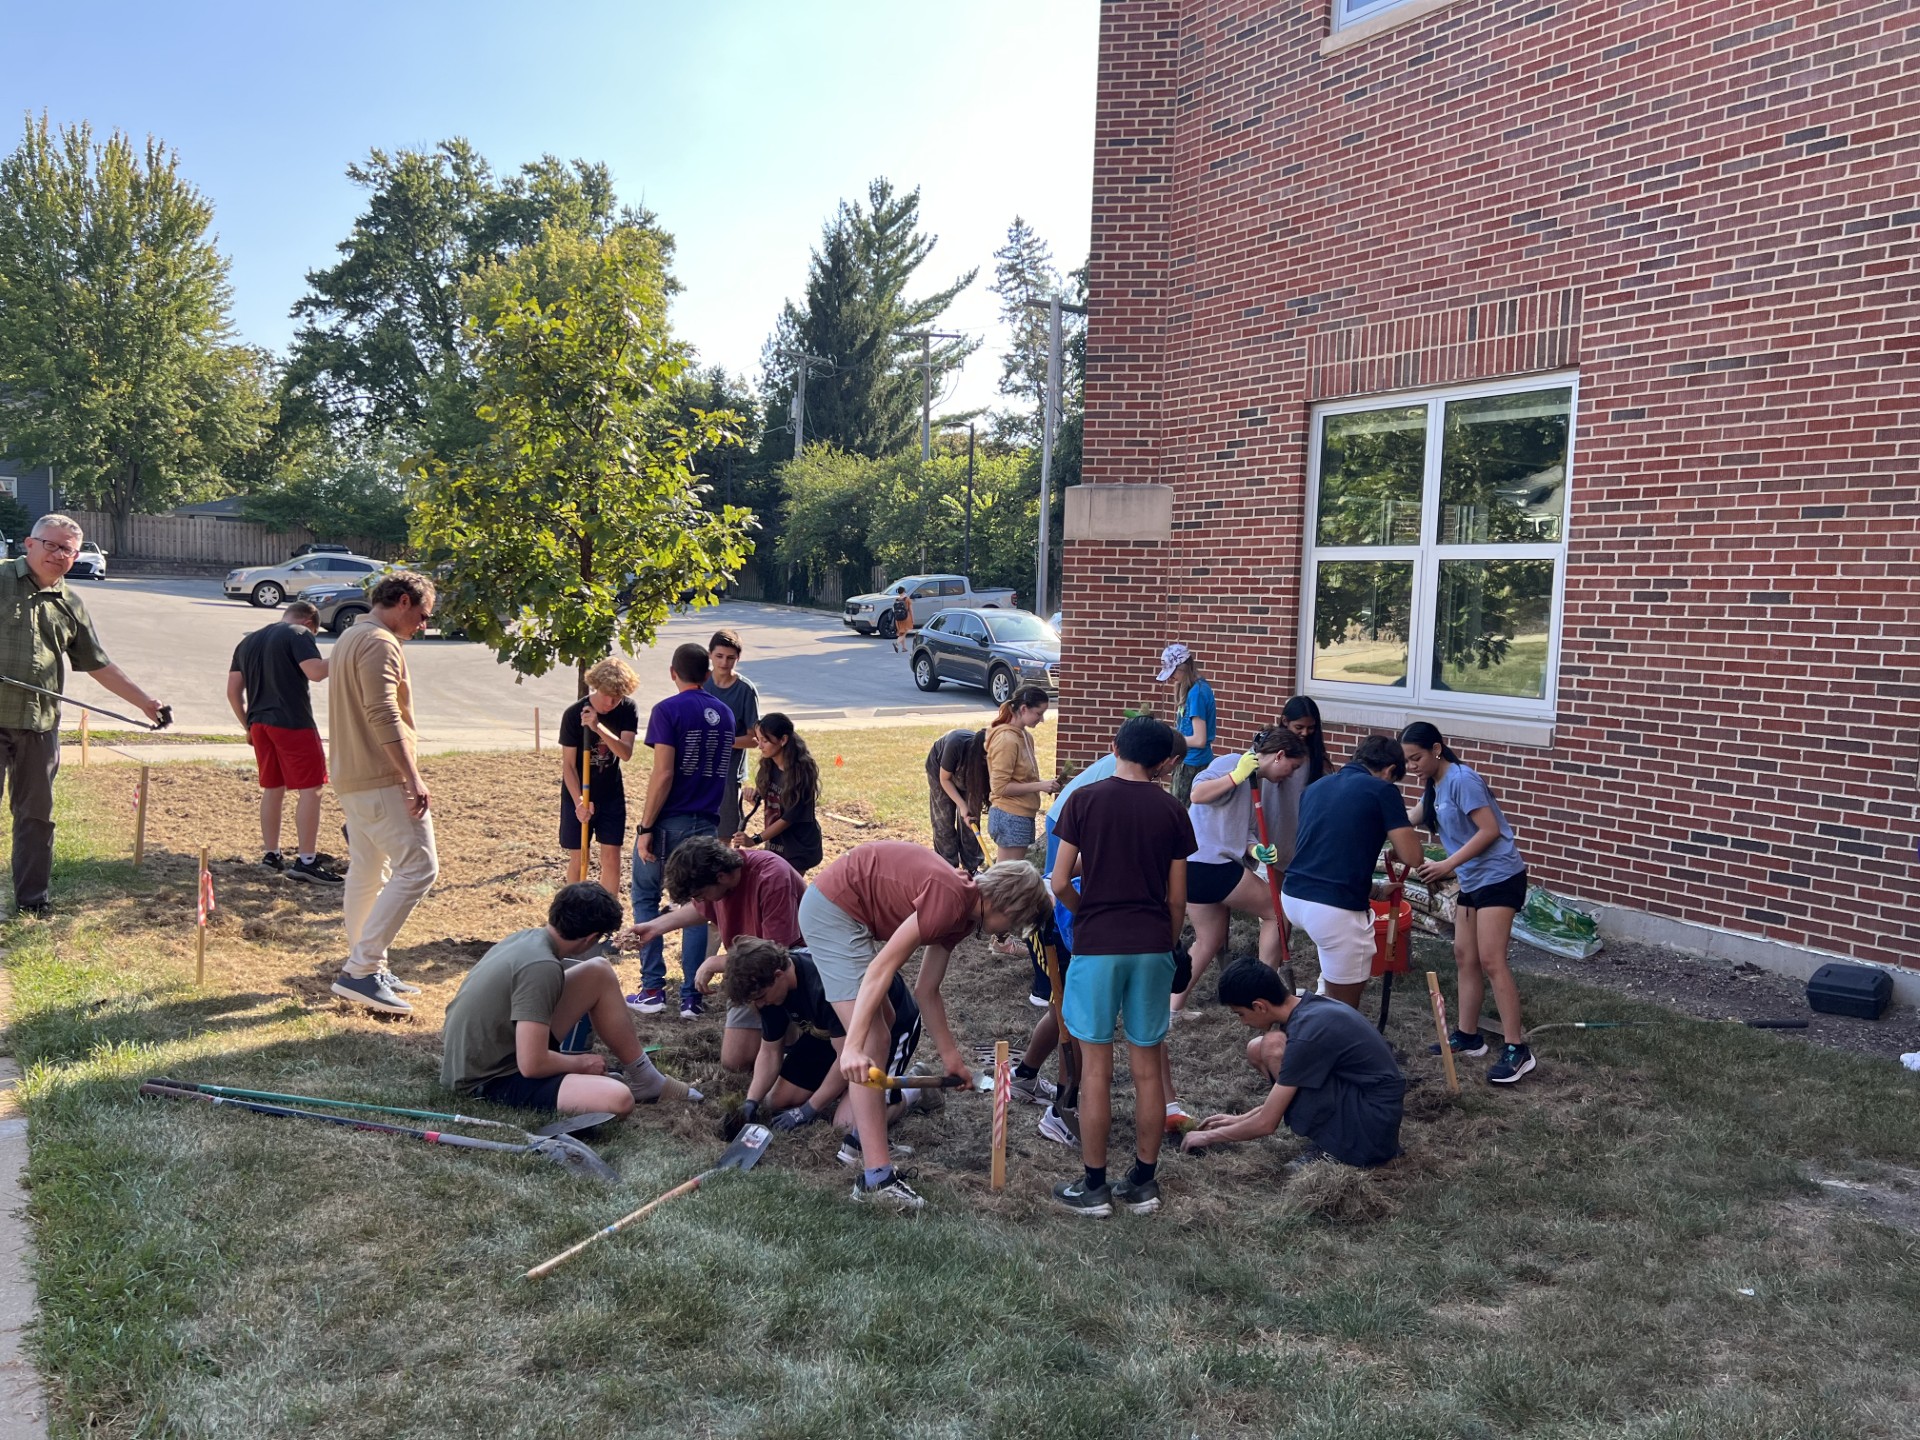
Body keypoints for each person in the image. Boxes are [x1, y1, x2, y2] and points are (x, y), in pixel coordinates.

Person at [816, 843, 1053, 1210]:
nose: (1008, 933)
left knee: (885, 1028)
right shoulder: (951, 898)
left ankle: (862, 1141)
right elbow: (883, 967)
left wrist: (951, 1059)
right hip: (832, 909)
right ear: (1006, 906)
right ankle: (876, 1177)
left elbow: (926, 989)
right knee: (874, 1037)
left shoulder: (963, 914)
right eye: (1015, 923)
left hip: (847, 912)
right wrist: (853, 1046)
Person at [1047, 715, 1197, 1217]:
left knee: (1096, 1070)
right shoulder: (1173, 810)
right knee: (1148, 1068)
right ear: (1163, 762)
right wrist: (1168, 939)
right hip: (1152, 943)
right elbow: (1178, 898)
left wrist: (1084, 911)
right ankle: (1144, 1182)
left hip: (1097, 946)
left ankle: (1094, 1187)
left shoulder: (1084, 801)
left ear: (1115, 748)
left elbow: (1059, 880)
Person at [0, 514, 167, 917]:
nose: (59, 555)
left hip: (39, 725)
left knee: (36, 818)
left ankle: (32, 903)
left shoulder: (71, 604)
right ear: (30, 544)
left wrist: (145, 702)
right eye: (52, 545)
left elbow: (98, 664)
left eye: (68, 550)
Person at [441, 882, 700, 1115]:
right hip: (489, 1080)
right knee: (618, 1098)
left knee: (598, 971)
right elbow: (532, 1064)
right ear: (590, 938)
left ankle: (646, 1078)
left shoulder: (529, 938)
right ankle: (620, 1085)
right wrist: (581, 1064)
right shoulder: (541, 967)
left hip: (484, 1058)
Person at [329, 571, 441, 1015]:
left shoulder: (351, 637)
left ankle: (367, 964)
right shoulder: (378, 642)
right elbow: (382, 712)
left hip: (353, 777)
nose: (424, 625)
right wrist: (411, 776)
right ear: (400, 601)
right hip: (380, 778)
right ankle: (361, 970)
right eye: (423, 615)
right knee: (419, 867)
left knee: (367, 870)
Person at [1400, 722, 1534, 1085]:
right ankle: (1468, 1036)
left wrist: (1447, 864)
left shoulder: (1462, 780)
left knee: (1492, 960)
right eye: (1407, 761)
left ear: (1437, 749)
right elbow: (1408, 818)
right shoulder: (1435, 786)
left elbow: (1489, 831)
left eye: (1417, 758)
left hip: (1500, 877)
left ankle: (1517, 1050)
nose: (1412, 766)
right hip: (1473, 881)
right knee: (1465, 956)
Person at [1180, 957, 1404, 1169]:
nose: (1243, 1022)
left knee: (1272, 1045)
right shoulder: (1307, 1008)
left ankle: (1337, 1150)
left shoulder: (1307, 1035)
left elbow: (1267, 1123)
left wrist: (1208, 1136)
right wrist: (1238, 1120)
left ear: (1259, 1006)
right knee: (1261, 1047)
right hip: (1368, 1107)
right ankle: (1336, 1137)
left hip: (1372, 1131)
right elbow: (1292, 1089)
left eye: (1240, 1014)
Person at [619, 834, 806, 1074]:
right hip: (747, 967)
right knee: (735, 1061)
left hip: (787, 969)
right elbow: (700, 909)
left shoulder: (771, 877)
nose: (699, 900)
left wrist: (715, 962)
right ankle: (777, 1044)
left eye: (699, 894)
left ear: (722, 876)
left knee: (786, 1051)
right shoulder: (719, 883)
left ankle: (796, 1044)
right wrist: (654, 928)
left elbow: (777, 953)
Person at [724, 936, 923, 1153]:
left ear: (778, 976)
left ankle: (913, 1092)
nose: (761, 1004)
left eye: (761, 998)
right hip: (830, 1031)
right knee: (777, 1100)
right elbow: (770, 1051)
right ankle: (843, 1091)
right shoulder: (768, 991)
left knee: (847, 1126)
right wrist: (751, 1100)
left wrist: (808, 1109)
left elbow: (844, 1057)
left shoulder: (823, 984)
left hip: (886, 1028)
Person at [628, 643, 736, 1019]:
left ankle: (653, 988)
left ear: (673, 672)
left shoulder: (666, 710)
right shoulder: (724, 713)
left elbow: (664, 773)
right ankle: (692, 994)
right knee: (698, 906)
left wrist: (645, 827)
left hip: (669, 821)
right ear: (707, 674)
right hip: (706, 821)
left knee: (645, 895)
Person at [1280, 734, 1426, 1009]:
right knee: (1344, 1007)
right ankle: (1329, 1041)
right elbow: (1413, 857)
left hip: (1293, 897)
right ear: (1390, 770)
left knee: (1331, 965)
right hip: (1334, 909)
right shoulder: (1382, 790)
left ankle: (1319, 1011)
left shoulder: (1316, 787)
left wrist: (1375, 890)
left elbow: (1328, 853)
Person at [1176, 724, 1309, 1013]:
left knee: (1208, 940)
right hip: (1210, 864)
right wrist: (1235, 776)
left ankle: (1172, 1008)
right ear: (1279, 755)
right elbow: (1197, 794)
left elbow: (1244, 830)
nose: (1290, 774)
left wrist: (1255, 849)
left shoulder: (1254, 784)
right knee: (1278, 912)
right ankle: (1264, 986)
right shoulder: (1231, 762)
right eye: (1292, 766)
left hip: (1197, 867)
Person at [226, 600, 339, 884]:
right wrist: (345, 654)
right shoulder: (298, 634)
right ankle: (306, 861)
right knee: (311, 788)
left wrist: (247, 726)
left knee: (273, 788)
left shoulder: (248, 642)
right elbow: (315, 672)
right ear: (309, 623)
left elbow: (232, 691)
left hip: (260, 724)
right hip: (292, 721)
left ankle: (271, 854)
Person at [559, 658, 640, 899]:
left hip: (610, 795)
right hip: (577, 794)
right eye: (606, 695)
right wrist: (579, 802)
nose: (610, 702)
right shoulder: (574, 714)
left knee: (611, 857)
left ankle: (608, 914)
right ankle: (572, 911)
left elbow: (625, 753)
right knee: (578, 854)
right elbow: (569, 766)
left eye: (617, 697)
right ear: (596, 687)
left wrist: (598, 727)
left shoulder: (627, 709)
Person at [737, 712, 822, 874]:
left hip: (798, 847)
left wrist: (755, 839)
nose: (760, 746)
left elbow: (787, 819)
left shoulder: (801, 774)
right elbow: (769, 798)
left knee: (788, 890)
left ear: (783, 740)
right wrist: (753, 795)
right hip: (777, 844)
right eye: (758, 740)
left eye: (765, 741)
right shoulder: (769, 765)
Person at [1257, 696, 1332, 878]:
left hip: (1297, 829)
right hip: (1271, 823)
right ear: (1285, 721)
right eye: (1299, 727)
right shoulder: (1266, 750)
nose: (1305, 733)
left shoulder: (1316, 761)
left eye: (1311, 728)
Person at [985, 685, 1059, 864]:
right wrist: (1040, 786)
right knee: (1008, 879)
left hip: (1022, 814)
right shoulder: (1006, 740)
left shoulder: (1025, 736)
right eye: (1039, 713)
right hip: (1009, 815)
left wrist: (1045, 784)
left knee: (1013, 876)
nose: (1042, 719)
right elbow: (1000, 787)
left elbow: (1021, 779)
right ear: (1024, 709)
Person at [704, 629, 761, 853]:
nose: (724, 663)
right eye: (719, 656)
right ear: (710, 655)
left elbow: (754, 738)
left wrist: (722, 742)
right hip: (698, 769)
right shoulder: (700, 683)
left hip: (728, 775)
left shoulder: (745, 690)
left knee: (723, 839)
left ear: (738, 658)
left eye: (730, 658)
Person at [925, 725, 990, 874]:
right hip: (940, 774)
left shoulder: (990, 758)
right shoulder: (956, 743)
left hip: (969, 778)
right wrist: (961, 804)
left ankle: (971, 867)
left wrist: (969, 809)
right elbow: (945, 779)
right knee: (943, 821)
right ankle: (948, 869)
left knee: (971, 821)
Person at [1157, 643, 1215, 805]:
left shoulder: (1196, 693)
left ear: (1183, 668)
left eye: (1172, 673)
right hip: (1191, 762)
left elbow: (1199, 739)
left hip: (1191, 765)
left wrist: (1170, 736)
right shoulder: (1198, 687)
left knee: (1180, 812)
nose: (1170, 678)